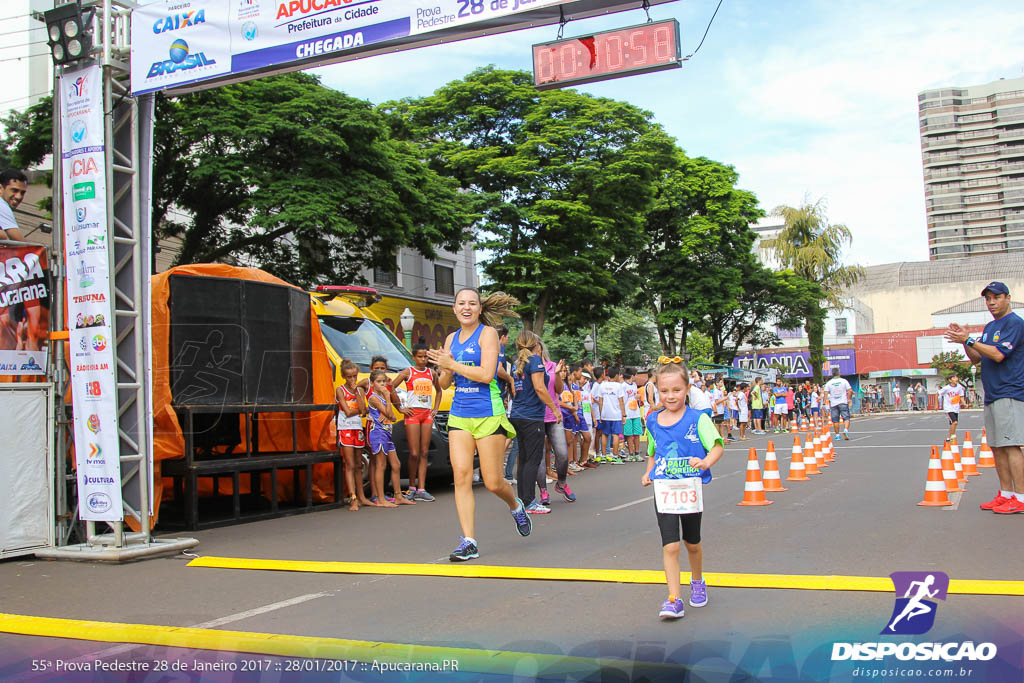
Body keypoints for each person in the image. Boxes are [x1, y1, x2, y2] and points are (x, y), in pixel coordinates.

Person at [427, 288, 530, 561]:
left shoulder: (488, 334)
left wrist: (453, 364)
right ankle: (469, 541)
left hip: (488, 412)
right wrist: (443, 367)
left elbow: (486, 375)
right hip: (460, 413)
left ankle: (515, 505)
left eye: (472, 303)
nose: (466, 307)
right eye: (461, 303)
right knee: (460, 477)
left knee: (493, 481)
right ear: (454, 308)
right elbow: (445, 383)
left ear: (479, 307)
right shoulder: (451, 339)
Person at [641, 360, 723, 619]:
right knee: (670, 546)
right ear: (657, 390)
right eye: (664, 391)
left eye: (676, 390)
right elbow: (652, 452)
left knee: (692, 543)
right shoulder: (652, 420)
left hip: (689, 489)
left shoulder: (698, 419)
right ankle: (674, 598)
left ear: (687, 389)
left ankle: (697, 580)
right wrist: (647, 472)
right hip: (664, 489)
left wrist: (705, 462)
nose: (670, 396)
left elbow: (717, 446)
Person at [945, 281, 1024, 514]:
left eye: (996, 297)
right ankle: (1006, 494)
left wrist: (969, 340)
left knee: (1011, 446)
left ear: (1007, 298)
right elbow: (977, 358)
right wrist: (965, 341)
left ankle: (1020, 497)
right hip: (992, 394)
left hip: (1010, 392)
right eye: (988, 299)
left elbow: (998, 355)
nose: (992, 302)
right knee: (997, 447)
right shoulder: (991, 327)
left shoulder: (1015, 324)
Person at [508, 330, 561, 515]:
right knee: (532, 459)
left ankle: (523, 500)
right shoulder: (536, 361)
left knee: (524, 459)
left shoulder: (518, 363)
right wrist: (554, 409)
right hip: (532, 417)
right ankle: (529, 502)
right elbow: (539, 387)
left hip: (518, 414)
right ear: (536, 345)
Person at [392, 343, 442, 502]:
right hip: (412, 413)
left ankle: (422, 488)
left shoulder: (431, 373)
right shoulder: (409, 372)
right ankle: (411, 487)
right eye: (419, 356)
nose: (423, 359)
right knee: (414, 452)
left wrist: (435, 408)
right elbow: (390, 387)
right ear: (413, 357)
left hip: (426, 414)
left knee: (424, 452)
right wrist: (400, 407)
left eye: (425, 356)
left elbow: (439, 391)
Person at [365, 370, 415, 508]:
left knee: (396, 464)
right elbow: (389, 413)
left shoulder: (382, 395)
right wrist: (387, 398)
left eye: (383, 381)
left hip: (387, 431)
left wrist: (388, 410)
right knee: (381, 465)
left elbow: (391, 416)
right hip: (378, 432)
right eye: (378, 382)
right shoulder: (374, 397)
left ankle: (398, 495)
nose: (382, 384)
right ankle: (380, 498)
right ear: (372, 383)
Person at [335, 360, 370, 511]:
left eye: (354, 376)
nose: (352, 380)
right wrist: (360, 410)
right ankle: (353, 497)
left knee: (358, 464)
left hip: (357, 428)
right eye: (349, 377)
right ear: (344, 376)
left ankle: (361, 496)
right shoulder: (340, 390)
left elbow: (364, 410)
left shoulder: (359, 391)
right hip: (345, 428)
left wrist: (357, 393)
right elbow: (348, 412)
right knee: (349, 464)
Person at [597, 366, 626, 464]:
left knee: (605, 434)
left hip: (605, 414)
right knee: (616, 435)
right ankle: (615, 456)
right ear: (617, 375)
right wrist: (624, 415)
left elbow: (600, 401)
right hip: (616, 414)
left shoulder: (602, 385)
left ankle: (604, 456)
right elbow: (621, 401)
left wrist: (601, 414)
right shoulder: (619, 386)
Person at [824, 367, 853, 440]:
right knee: (846, 417)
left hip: (834, 403)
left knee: (835, 420)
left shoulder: (829, 383)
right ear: (839, 373)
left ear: (832, 374)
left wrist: (825, 403)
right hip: (843, 401)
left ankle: (837, 435)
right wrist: (849, 399)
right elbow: (850, 391)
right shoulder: (844, 381)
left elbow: (825, 393)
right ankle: (846, 429)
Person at [622, 368, 644, 461]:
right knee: (628, 434)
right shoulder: (623, 386)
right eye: (635, 375)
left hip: (636, 413)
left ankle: (637, 453)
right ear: (632, 376)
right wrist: (623, 414)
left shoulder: (634, 385)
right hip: (627, 413)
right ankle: (630, 454)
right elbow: (622, 401)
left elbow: (636, 397)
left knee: (637, 433)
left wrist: (638, 398)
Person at [0, 169, 27, 241]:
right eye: (14, 190)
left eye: (22, 193)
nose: (19, 197)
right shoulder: (2, 205)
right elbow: (20, 242)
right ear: (0, 189)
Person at [938, 374, 965, 442]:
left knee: (953, 424)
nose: (956, 379)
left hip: (956, 407)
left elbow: (961, 396)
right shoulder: (946, 388)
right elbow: (937, 394)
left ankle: (949, 437)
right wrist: (936, 405)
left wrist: (964, 403)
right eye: (954, 378)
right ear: (950, 380)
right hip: (948, 408)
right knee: (954, 422)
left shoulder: (959, 387)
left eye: (956, 377)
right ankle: (952, 437)